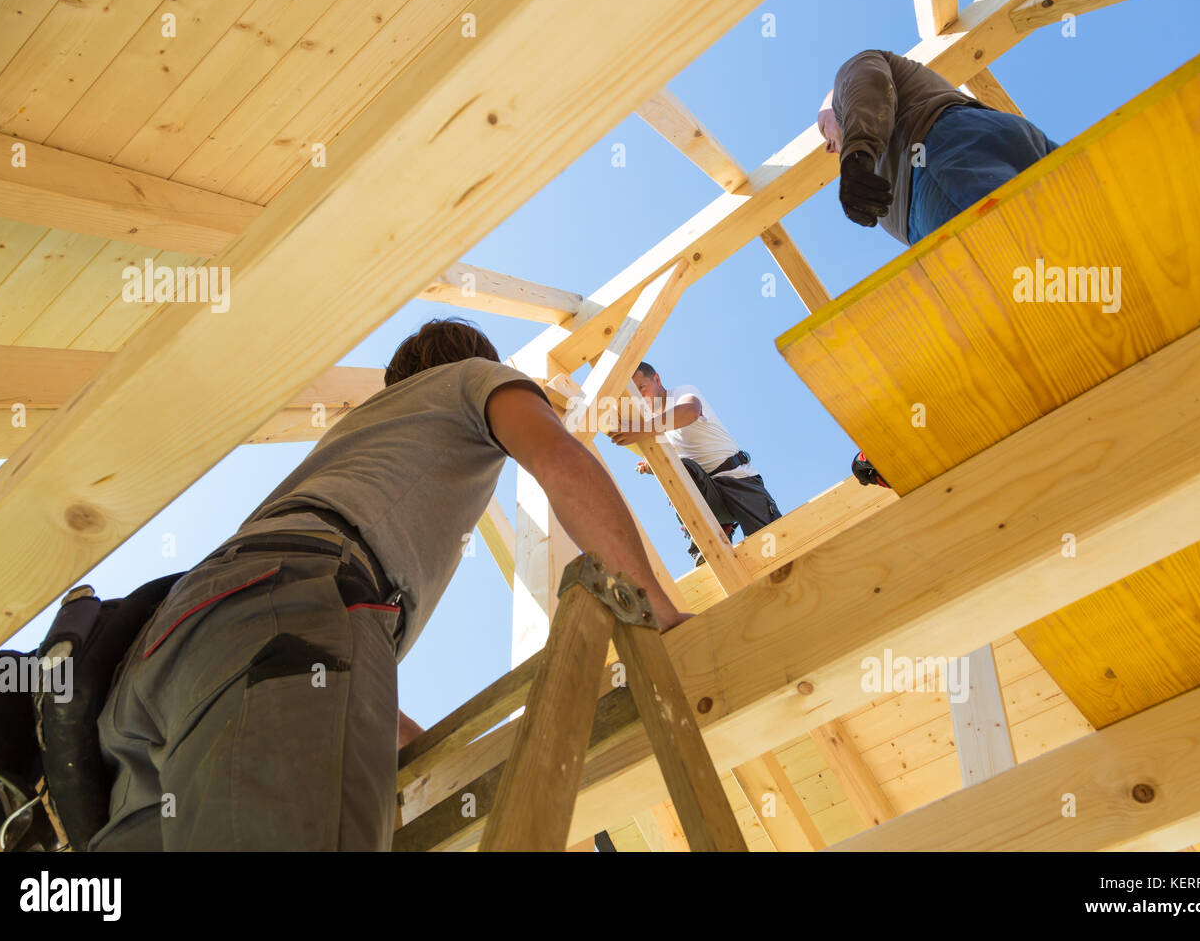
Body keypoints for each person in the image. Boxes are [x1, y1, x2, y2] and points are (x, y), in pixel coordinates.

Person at [89, 318, 688, 851]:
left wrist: (412, 742)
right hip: (295, 605)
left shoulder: (357, 437)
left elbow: (292, 657)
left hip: (162, 650)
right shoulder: (475, 378)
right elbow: (559, 462)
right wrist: (662, 617)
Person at [816, 49, 1060, 488]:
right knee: (1080, 251)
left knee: (1007, 300)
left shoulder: (853, 76)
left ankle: (916, 435)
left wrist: (856, 154)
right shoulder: (929, 96)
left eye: (825, 133)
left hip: (935, 160)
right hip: (991, 141)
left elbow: (865, 81)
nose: (828, 145)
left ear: (836, 107)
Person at [609, 362, 782, 566]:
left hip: (737, 482)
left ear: (656, 379)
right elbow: (676, 464)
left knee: (773, 548)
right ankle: (704, 544)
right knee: (676, 467)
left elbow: (691, 410)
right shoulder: (656, 428)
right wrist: (653, 465)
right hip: (710, 497)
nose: (641, 397)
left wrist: (643, 429)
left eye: (641, 388)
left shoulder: (681, 395)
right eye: (635, 395)